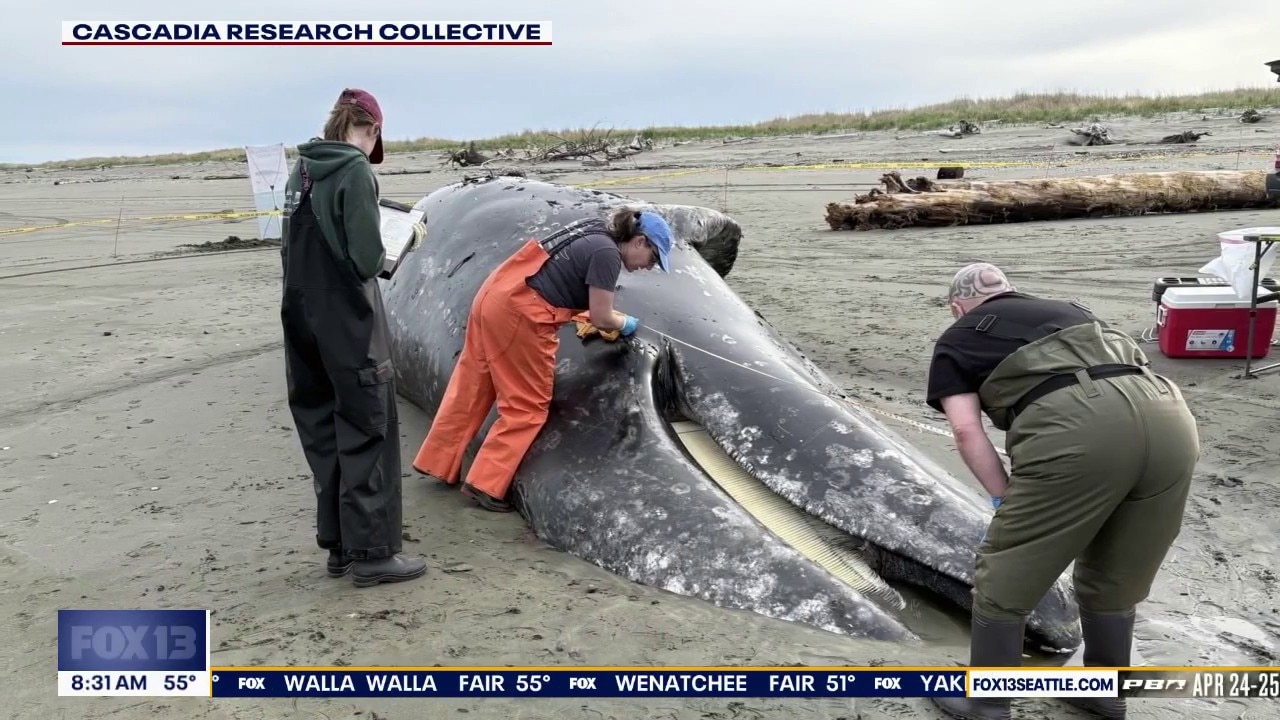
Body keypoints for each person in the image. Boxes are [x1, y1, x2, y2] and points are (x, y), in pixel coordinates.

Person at [924, 263, 1197, 720]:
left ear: (957, 307)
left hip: (1077, 427)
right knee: (1117, 574)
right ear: (1011, 291)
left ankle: (987, 701)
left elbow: (966, 431)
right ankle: (1106, 692)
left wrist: (1003, 496)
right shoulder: (1071, 310)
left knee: (1006, 572)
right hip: (1169, 416)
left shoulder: (957, 337)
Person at [412, 208, 673, 512]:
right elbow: (602, 317)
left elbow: (561, 276)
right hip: (520, 313)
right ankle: (485, 483)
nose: (648, 267)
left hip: (495, 296)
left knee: (474, 383)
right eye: (653, 258)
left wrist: (582, 312)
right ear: (639, 241)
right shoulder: (608, 255)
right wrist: (624, 323)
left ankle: (437, 460)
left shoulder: (595, 229)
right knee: (528, 406)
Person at [280, 88, 427, 588]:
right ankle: (372, 553)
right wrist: (405, 240)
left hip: (300, 317)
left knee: (322, 428)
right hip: (349, 321)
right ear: (370, 130)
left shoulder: (300, 170)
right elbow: (366, 259)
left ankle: (338, 546)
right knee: (367, 426)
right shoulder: (355, 170)